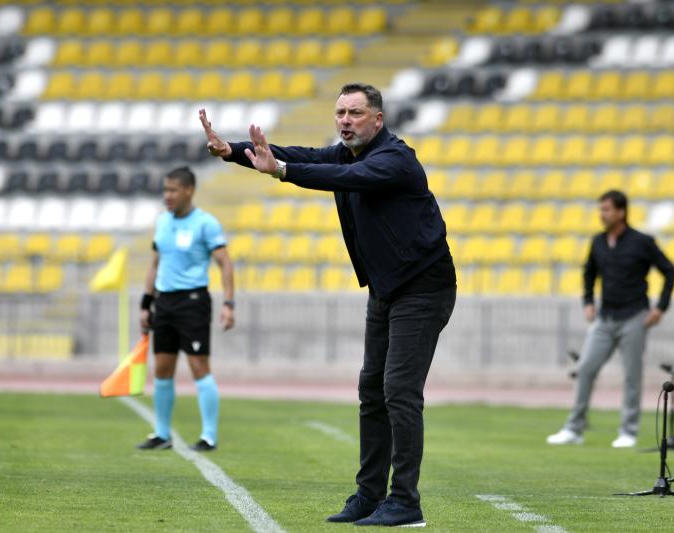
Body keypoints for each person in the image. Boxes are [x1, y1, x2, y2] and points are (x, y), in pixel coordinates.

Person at [199, 83, 456, 527]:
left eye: (355, 113)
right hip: (386, 288)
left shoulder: (395, 159)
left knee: (399, 391)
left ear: (377, 119)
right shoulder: (345, 153)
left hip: (423, 287)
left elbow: (342, 179)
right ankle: (370, 496)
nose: (344, 121)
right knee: (370, 391)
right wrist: (232, 151)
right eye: (340, 112)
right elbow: (297, 154)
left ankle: (406, 503)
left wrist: (280, 171)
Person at [547, 190, 674, 448]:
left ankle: (628, 431)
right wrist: (587, 301)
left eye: (606, 209)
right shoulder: (598, 242)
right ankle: (575, 428)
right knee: (585, 369)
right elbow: (589, 272)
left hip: (634, 317)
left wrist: (660, 308)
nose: (602, 214)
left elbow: (669, 271)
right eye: (601, 209)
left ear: (621, 211)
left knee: (631, 375)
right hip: (605, 318)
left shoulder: (642, 241)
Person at [136, 166, 235, 453]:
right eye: (165, 190)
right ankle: (162, 433)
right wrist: (146, 303)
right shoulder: (163, 222)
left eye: (172, 190)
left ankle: (209, 436)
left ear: (188, 190)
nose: (167, 196)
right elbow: (155, 264)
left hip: (192, 302)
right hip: (164, 302)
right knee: (163, 369)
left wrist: (229, 304)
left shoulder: (205, 223)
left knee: (198, 366)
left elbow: (225, 263)